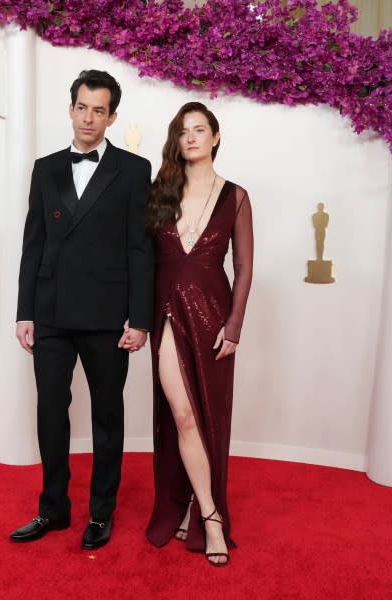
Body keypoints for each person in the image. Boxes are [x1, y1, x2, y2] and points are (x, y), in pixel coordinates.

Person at [10, 70, 154, 550]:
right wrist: (24, 310)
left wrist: (141, 317)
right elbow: (33, 243)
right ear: (69, 109)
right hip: (49, 313)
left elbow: (140, 248)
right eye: (82, 107)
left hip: (108, 316)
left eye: (99, 110)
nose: (89, 117)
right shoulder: (45, 168)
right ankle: (52, 509)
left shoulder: (134, 170)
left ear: (112, 116)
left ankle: (100, 513)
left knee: (107, 417)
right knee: (51, 413)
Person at [144, 102, 253, 566]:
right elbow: (141, 258)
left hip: (213, 317)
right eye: (183, 131)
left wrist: (234, 325)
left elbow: (245, 267)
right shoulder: (159, 193)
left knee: (209, 415)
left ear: (215, 136)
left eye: (199, 129)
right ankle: (211, 517)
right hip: (166, 311)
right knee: (182, 415)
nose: (191, 138)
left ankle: (199, 503)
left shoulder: (236, 196)